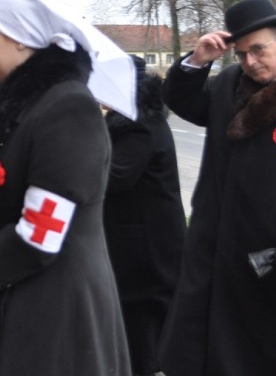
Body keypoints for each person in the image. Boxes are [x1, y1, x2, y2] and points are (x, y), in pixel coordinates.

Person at [0, 0, 134, 376]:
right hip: (16, 296)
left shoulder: (69, 108)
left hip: (57, 313)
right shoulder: (25, 105)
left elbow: (41, 232)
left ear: (18, 38)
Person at [159, 0, 276, 376]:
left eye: (259, 50)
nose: (250, 62)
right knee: (209, 348)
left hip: (265, 254)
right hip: (217, 244)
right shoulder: (229, 84)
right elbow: (183, 101)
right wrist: (197, 61)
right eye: (241, 54)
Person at [103, 55, 186, 376]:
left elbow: (114, 177)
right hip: (140, 244)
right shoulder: (130, 120)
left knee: (144, 328)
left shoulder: (139, 128)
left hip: (147, 250)